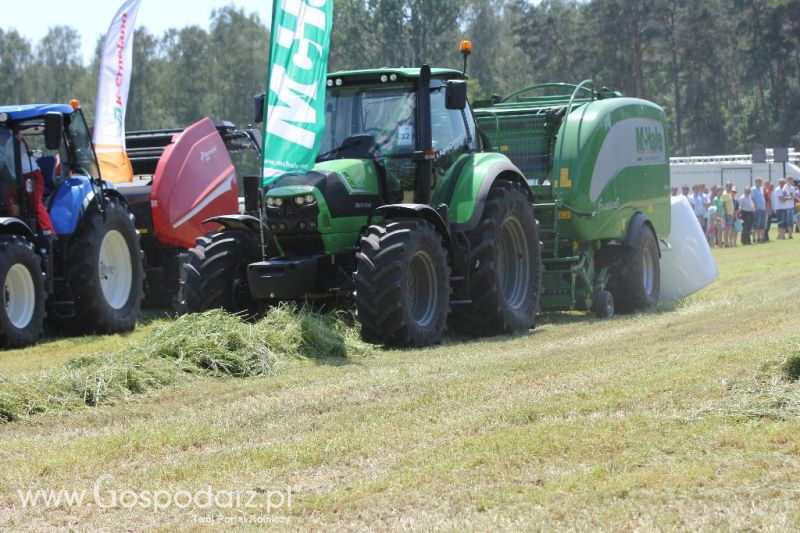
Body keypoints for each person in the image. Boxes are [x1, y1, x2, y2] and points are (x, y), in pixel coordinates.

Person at [751, 177, 766, 243]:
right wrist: (756, 206)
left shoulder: (761, 189)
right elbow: (753, 198)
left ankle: (761, 238)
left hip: (763, 209)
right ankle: (756, 238)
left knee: (762, 225)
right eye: (759, 182)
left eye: (761, 182)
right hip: (758, 209)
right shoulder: (753, 189)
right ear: (756, 182)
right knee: (757, 225)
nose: (760, 183)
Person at [721, 181, 735, 247]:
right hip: (727, 214)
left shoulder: (729, 193)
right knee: (726, 229)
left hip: (730, 214)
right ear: (726, 186)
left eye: (731, 187)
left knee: (730, 229)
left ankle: (729, 243)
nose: (730, 188)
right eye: (729, 187)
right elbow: (723, 204)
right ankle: (726, 243)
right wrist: (726, 213)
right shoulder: (724, 194)